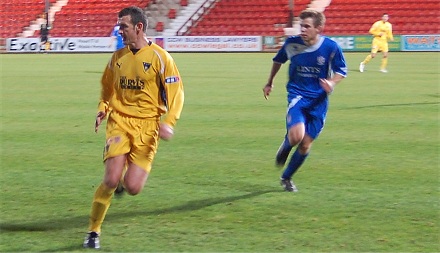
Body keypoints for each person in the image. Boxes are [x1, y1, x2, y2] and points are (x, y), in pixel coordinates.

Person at [83, 6, 184, 249]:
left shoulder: (161, 58)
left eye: (124, 26)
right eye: (119, 26)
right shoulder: (117, 58)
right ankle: (93, 231)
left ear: (139, 27)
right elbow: (107, 88)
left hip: (148, 128)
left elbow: (177, 94)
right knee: (110, 180)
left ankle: (122, 173)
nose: (120, 31)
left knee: (133, 187)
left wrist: (169, 123)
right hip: (119, 122)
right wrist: (102, 107)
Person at [262, 9, 347, 193]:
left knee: (306, 143)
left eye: (307, 26)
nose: (302, 30)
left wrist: (331, 82)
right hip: (298, 95)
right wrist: (269, 82)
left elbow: (341, 70)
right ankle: (286, 145)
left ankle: (286, 177)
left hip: (319, 101)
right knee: (296, 136)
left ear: (319, 28)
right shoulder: (292, 44)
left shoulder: (331, 47)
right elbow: (278, 60)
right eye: (301, 26)